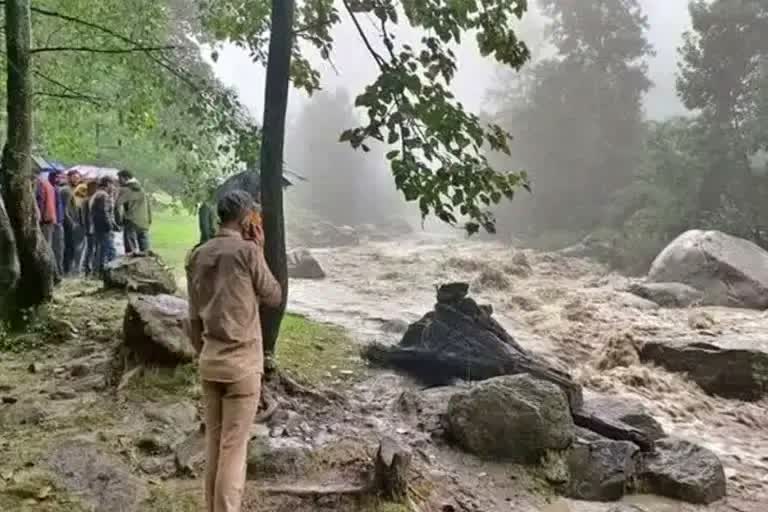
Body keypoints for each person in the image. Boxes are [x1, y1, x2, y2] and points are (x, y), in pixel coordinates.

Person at [185, 190, 281, 512]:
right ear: (245, 219)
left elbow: (193, 317)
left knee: (215, 445)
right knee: (234, 450)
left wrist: (203, 350)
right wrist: (261, 249)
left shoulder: (197, 255)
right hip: (242, 365)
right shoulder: (247, 253)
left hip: (209, 361)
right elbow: (273, 295)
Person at [116, 170, 152, 253]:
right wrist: (149, 220)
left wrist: (119, 221)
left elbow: (117, 206)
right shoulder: (142, 190)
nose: (118, 181)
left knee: (131, 252)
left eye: (119, 178)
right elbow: (148, 207)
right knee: (146, 251)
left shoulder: (124, 190)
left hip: (130, 222)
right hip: (144, 222)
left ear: (126, 178)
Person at [90, 177, 118, 275]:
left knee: (101, 250)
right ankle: (113, 272)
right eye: (112, 184)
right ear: (107, 184)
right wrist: (110, 226)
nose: (113, 187)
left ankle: (98, 271)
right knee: (110, 250)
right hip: (104, 228)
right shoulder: (103, 196)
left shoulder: (98, 194)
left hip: (98, 227)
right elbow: (104, 212)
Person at [61, 170, 86, 275]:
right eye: (74, 177)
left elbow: (80, 207)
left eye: (78, 177)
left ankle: (73, 269)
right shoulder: (66, 190)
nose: (76, 179)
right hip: (69, 223)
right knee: (69, 246)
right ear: (69, 178)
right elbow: (64, 209)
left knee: (76, 247)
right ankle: (66, 269)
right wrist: (70, 222)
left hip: (78, 222)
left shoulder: (79, 190)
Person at [47, 170, 66, 276]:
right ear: (52, 177)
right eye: (57, 177)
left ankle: (59, 271)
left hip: (59, 222)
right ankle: (56, 272)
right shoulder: (50, 189)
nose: (59, 179)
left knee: (59, 248)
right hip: (53, 223)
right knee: (55, 248)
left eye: (60, 177)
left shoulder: (57, 189)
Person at [81, 180, 99, 276]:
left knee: (93, 248)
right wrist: (87, 228)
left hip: (93, 228)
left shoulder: (93, 199)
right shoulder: (87, 200)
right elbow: (85, 216)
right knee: (90, 248)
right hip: (90, 228)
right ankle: (87, 268)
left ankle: (90, 268)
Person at [35, 171, 57, 248]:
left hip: (45, 219)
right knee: (48, 244)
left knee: (44, 246)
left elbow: (41, 201)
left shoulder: (41, 184)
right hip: (51, 217)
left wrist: (39, 218)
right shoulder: (49, 185)